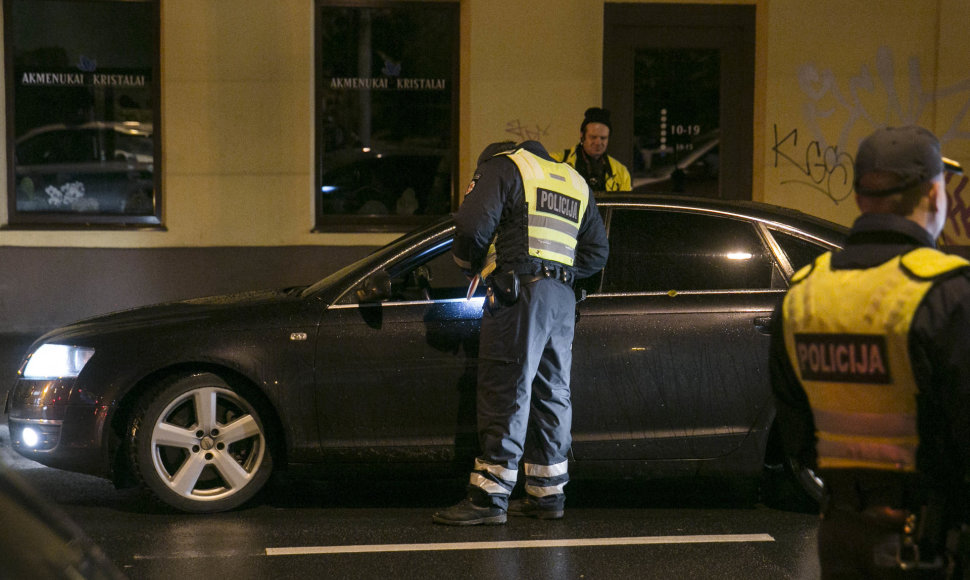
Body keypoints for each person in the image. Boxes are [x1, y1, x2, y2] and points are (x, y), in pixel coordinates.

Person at [770, 125, 970, 578]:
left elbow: (798, 434)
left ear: (860, 197)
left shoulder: (804, 292)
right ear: (935, 197)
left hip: (841, 535)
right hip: (933, 541)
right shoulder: (945, 292)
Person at [432, 140, 609, 525]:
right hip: (562, 298)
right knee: (552, 393)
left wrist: (469, 264)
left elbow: (471, 225)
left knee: (506, 386)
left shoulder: (503, 167)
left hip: (519, 294)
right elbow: (596, 253)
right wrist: (557, 276)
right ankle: (548, 494)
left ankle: (488, 497)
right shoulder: (575, 180)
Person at [553, 107, 632, 194]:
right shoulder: (558, 161)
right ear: (582, 136)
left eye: (603, 138)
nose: (598, 142)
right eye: (593, 137)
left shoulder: (621, 172)